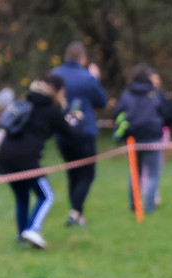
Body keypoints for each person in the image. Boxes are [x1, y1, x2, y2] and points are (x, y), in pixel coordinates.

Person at [0, 74, 78, 250]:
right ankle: (32, 229)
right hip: (25, 160)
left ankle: (21, 235)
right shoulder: (51, 111)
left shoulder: (28, 101)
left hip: (6, 156)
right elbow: (69, 134)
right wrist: (74, 121)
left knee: (22, 196)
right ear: (57, 91)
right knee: (47, 196)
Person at [49, 41, 108, 227]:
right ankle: (75, 212)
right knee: (87, 174)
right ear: (83, 59)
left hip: (61, 132)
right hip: (84, 133)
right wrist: (95, 78)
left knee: (72, 172)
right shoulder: (87, 77)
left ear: (66, 57)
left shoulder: (53, 75)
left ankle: (77, 212)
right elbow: (102, 101)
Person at [112, 64, 172, 214]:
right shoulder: (155, 93)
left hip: (133, 138)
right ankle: (148, 207)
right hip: (152, 136)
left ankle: (134, 205)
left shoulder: (127, 94)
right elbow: (168, 114)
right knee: (153, 173)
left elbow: (116, 114)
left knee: (135, 172)